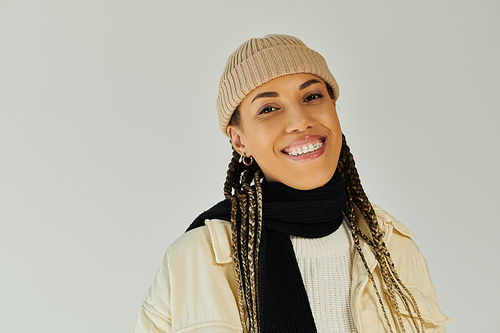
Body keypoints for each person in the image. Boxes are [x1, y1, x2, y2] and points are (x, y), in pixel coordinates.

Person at [132, 34, 449, 333]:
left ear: (334, 109)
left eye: (312, 97)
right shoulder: (193, 259)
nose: (300, 120)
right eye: (269, 109)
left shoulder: (394, 245)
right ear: (240, 140)